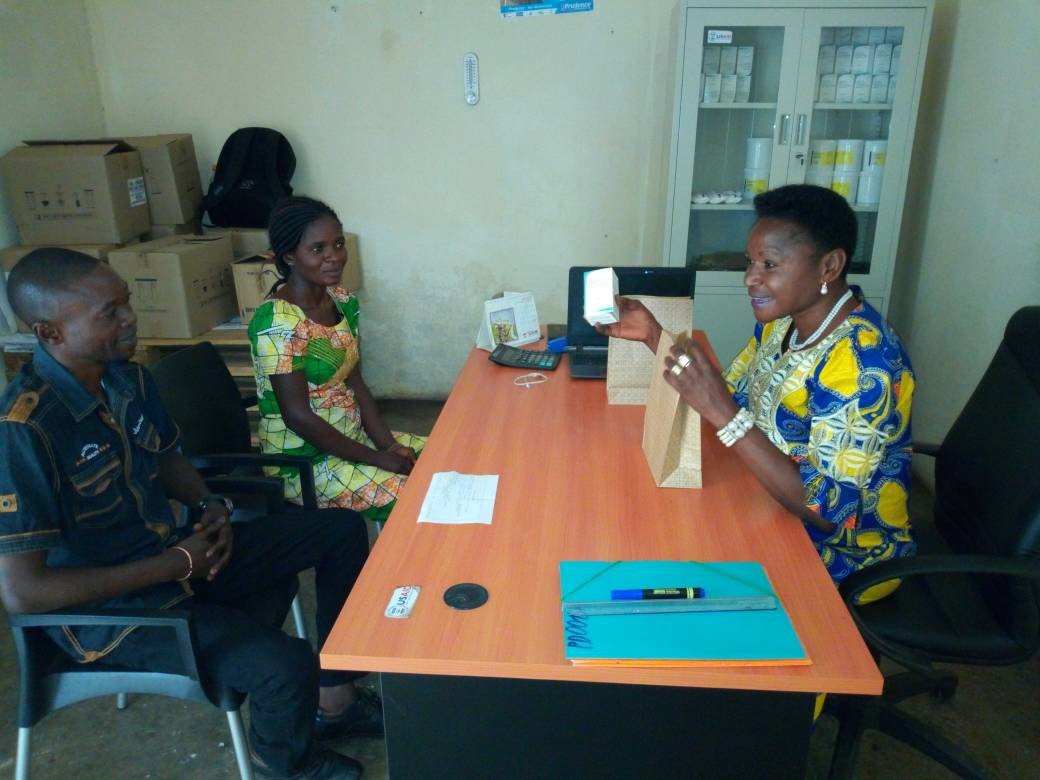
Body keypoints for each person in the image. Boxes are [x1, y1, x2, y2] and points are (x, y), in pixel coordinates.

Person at [0, 249, 382, 780]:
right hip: (114, 616)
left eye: (126, 303)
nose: (130, 317)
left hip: (175, 560)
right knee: (285, 664)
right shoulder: (24, 430)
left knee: (340, 530)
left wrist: (209, 506)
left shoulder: (125, 379)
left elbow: (168, 457)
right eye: (108, 313)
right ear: (51, 332)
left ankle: (337, 698)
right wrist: (175, 564)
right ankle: (284, 763)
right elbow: (25, 594)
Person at [600, 184, 916, 597]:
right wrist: (653, 334)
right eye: (750, 262)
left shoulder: (860, 365)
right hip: (766, 501)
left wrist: (725, 416)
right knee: (644, 530)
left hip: (840, 557)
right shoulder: (782, 323)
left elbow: (827, 513)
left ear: (830, 266)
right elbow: (721, 393)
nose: (751, 278)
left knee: (665, 577)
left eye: (769, 264)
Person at [248, 196, 426, 525]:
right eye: (318, 249)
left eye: (339, 244)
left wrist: (388, 446)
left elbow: (356, 382)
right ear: (290, 257)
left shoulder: (342, 302)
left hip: (353, 438)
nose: (334, 258)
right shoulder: (278, 323)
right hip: (305, 463)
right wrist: (379, 459)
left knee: (448, 454)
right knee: (422, 498)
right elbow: (298, 417)